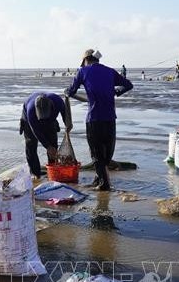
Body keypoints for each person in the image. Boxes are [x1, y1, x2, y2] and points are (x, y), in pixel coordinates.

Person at [65, 49, 133, 191]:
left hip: (94, 119)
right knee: (107, 152)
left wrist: (67, 92)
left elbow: (71, 91)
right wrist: (116, 92)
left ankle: (104, 184)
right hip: (110, 118)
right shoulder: (110, 71)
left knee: (96, 153)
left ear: (85, 60)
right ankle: (99, 178)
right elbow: (128, 85)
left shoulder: (82, 72)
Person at [20, 92, 70, 179]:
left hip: (51, 121)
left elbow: (65, 113)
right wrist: (47, 146)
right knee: (31, 145)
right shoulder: (31, 111)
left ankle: (52, 170)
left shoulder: (58, 102)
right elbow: (36, 131)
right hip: (29, 122)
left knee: (53, 144)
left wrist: (67, 124)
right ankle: (35, 173)